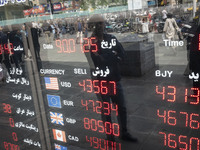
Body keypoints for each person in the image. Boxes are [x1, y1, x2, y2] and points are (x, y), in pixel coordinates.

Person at [86, 14, 138, 142]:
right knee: (106, 110)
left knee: (121, 107)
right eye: (97, 24)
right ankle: (110, 136)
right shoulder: (90, 42)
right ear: (92, 26)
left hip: (114, 79)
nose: (99, 26)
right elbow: (96, 59)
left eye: (101, 23)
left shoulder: (111, 38)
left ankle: (123, 132)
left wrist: (109, 57)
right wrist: (111, 56)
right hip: (101, 81)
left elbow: (122, 54)